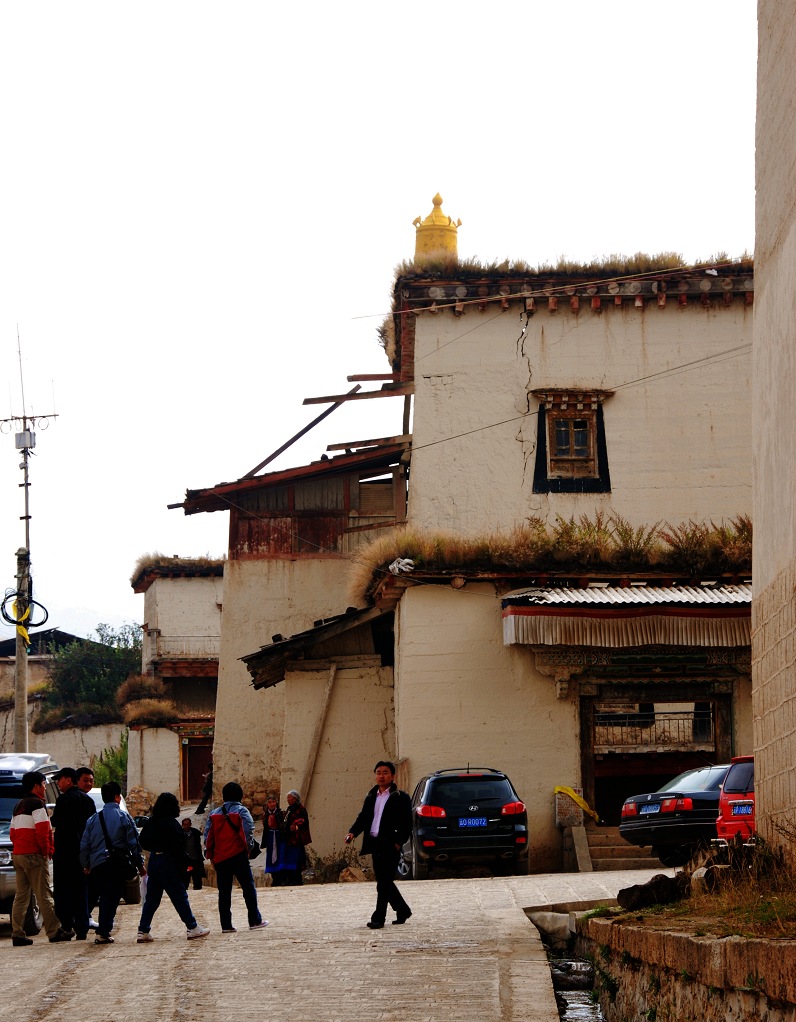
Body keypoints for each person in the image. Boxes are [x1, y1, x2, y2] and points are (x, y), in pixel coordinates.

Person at [346, 761, 413, 929]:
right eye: (378, 772)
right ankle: (403, 910)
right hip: (374, 843)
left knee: (383, 882)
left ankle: (378, 918)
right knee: (384, 881)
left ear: (392, 776)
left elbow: (407, 823)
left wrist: (398, 843)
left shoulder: (401, 797)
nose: (381, 776)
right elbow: (363, 817)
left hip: (390, 844)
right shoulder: (371, 797)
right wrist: (353, 832)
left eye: (385, 772)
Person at [9, 771, 73, 947]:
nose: (45, 788)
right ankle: (54, 932)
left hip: (18, 855)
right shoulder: (38, 804)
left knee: (21, 897)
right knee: (43, 894)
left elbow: (12, 834)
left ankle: (17, 933)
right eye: (44, 784)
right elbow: (43, 831)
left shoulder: (18, 806)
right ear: (36, 786)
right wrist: (47, 851)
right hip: (34, 855)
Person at [136, 793, 209, 942]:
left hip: (154, 861)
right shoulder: (172, 824)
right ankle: (192, 926)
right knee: (179, 895)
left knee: (152, 898)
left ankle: (143, 929)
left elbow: (142, 840)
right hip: (168, 862)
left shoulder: (151, 822)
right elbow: (179, 847)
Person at [80, 780, 145, 945]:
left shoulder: (93, 819)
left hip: (97, 864)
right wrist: (139, 864)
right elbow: (133, 843)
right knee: (111, 897)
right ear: (118, 797)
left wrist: (86, 864)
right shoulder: (124, 817)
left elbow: (85, 844)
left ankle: (103, 929)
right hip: (115, 863)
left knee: (104, 895)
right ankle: (103, 931)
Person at [204, 781, 268, 933]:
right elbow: (248, 832)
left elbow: (208, 837)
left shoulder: (214, 814)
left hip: (220, 858)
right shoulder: (242, 811)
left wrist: (210, 855)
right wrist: (249, 849)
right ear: (240, 795)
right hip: (238, 855)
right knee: (248, 888)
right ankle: (254, 920)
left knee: (224, 892)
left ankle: (226, 925)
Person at [51, 766, 96, 940]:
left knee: (63, 890)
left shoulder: (63, 800)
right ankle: (82, 928)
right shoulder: (87, 801)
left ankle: (67, 925)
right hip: (82, 854)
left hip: (64, 854)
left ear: (68, 780)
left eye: (60, 779)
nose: (58, 783)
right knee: (81, 890)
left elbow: (56, 821)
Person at [280, 789, 311, 886]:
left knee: (296, 861)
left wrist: (296, 825)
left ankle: (296, 880)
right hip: (288, 839)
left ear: (294, 798)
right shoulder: (290, 809)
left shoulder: (300, 809)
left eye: (289, 797)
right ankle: (289, 879)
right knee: (288, 860)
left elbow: (303, 820)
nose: (288, 799)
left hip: (296, 840)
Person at [262, 794, 287, 886]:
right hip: (270, 837)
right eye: (269, 802)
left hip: (279, 837)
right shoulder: (265, 815)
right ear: (267, 804)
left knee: (280, 855)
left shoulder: (281, 814)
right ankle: (274, 877)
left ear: (276, 803)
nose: (272, 804)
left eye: (273, 802)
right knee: (271, 856)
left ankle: (281, 877)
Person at [181, 817, 206, 890]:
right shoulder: (180, 834)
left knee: (197, 874)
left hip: (195, 858)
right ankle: (184, 887)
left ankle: (197, 886)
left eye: (188, 824)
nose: (186, 826)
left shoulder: (195, 833)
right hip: (184, 859)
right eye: (185, 825)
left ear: (191, 824)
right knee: (184, 875)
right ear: (182, 825)